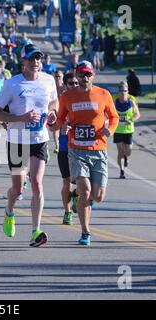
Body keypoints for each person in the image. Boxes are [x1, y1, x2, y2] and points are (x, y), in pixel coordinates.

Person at [0, 44, 58, 247]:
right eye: (31, 59)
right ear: (23, 61)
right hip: (17, 141)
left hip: (39, 139)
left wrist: (53, 112)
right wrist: (21, 117)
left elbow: (54, 101)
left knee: (37, 184)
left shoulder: (48, 80)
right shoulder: (12, 84)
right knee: (18, 189)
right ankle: (9, 212)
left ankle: (35, 230)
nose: (36, 62)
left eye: (38, 58)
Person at [56, 61, 119, 245]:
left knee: (98, 196)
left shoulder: (103, 94)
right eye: (82, 75)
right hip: (77, 150)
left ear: (93, 75)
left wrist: (111, 129)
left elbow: (114, 116)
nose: (85, 78)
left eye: (88, 75)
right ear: (77, 75)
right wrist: (63, 126)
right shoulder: (68, 96)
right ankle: (85, 232)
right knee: (85, 191)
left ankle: (79, 195)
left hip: (99, 149)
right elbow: (60, 118)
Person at [56, 73, 78, 225]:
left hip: (83, 148)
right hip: (65, 148)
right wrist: (60, 125)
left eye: (77, 83)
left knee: (85, 183)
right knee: (67, 182)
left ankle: (77, 194)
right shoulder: (61, 102)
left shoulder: (86, 99)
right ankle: (67, 212)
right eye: (71, 83)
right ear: (65, 85)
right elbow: (53, 124)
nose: (75, 85)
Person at [113, 81, 140, 179]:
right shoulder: (115, 102)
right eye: (121, 91)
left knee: (128, 151)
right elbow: (109, 113)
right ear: (118, 92)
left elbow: (137, 114)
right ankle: (122, 172)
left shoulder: (131, 102)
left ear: (127, 91)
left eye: (125, 91)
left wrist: (131, 120)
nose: (123, 93)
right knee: (120, 151)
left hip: (128, 130)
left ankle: (126, 157)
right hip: (118, 130)